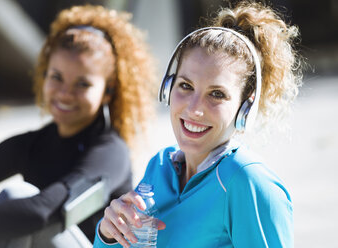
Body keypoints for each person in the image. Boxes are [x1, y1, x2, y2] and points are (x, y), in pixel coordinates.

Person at [94, 1, 303, 248]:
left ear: (245, 107)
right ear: (167, 88)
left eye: (217, 94)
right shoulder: (160, 166)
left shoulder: (249, 183)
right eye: (186, 86)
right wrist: (107, 235)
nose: (194, 108)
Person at [0, 4, 155, 246]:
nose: (65, 93)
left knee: (16, 196)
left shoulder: (110, 151)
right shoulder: (33, 143)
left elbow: (42, 211)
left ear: (107, 92)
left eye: (82, 84)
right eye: (56, 77)